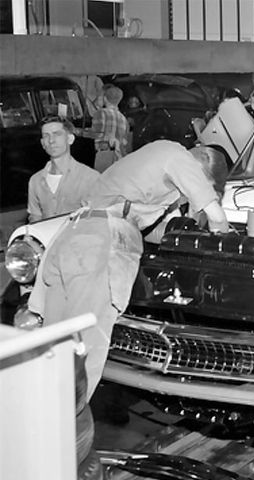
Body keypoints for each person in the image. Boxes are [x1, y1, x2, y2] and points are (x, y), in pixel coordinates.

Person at [26, 140, 231, 402]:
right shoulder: (180, 158)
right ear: (202, 172)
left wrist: (185, 229)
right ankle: (65, 431)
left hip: (73, 236)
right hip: (98, 245)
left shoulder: (153, 158)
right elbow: (217, 216)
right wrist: (223, 240)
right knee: (86, 347)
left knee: (54, 344)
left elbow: (148, 230)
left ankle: (33, 417)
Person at [27, 116, 99, 223]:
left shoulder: (90, 178)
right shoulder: (35, 181)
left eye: (57, 134)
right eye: (46, 136)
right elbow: (35, 218)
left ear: (70, 139)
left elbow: (98, 221)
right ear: (42, 143)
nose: (51, 140)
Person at [86, 83, 130, 172]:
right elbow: (125, 142)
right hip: (119, 158)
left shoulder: (100, 113)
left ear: (105, 98)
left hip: (104, 155)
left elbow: (96, 134)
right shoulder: (123, 119)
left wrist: (78, 131)